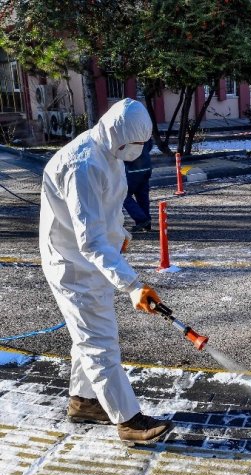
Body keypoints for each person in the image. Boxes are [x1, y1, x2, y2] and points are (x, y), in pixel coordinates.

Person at [39, 98, 173, 445]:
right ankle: (129, 421)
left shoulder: (108, 154)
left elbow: (106, 214)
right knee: (99, 342)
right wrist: (131, 285)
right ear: (120, 137)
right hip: (72, 265)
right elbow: (91, 239)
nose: (138, 153)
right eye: (136, 147)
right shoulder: (81, 165)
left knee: (90, 336)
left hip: (93, 259)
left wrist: (122, 236)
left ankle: (84, 402)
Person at [124, 138, 153, 232]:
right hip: (146, 166)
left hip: (132, 169)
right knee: (142, 195)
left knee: (123, 194)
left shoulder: (126, 134)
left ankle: (142, 219)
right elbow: (150, 145)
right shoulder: (143, 131)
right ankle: (146, 223)